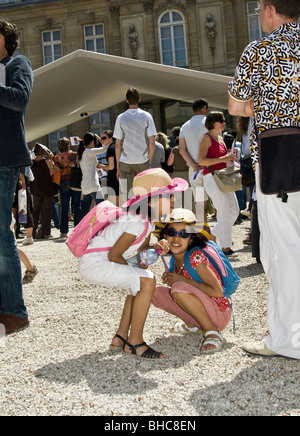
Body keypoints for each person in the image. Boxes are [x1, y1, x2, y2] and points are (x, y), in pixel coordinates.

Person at [228, 0, 300, 359]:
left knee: (282, 250)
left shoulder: (262, 49)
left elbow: (234, 105)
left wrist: (264, 103)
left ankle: (285, 339)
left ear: (270, 9)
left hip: (279, 156)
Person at [78, 168, 189, 359]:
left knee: (138, 281)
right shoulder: (137, 222)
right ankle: (135, 342)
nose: (173, 200)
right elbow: (114, 255)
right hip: (95, 264)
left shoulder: (146, 221)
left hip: (98, 262)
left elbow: (140, 256)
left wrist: (157, 248)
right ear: (151, 200)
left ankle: (121, 337)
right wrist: (138, 269)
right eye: (168, 196)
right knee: (146, 281)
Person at [152, 208, 231, 354]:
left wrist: (181, 280)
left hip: (218, 313)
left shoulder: (196, 257)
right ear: (164, 236)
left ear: (192, 238)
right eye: (171, 233)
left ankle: (212, 331)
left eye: (184, 234)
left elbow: (218, 292)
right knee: (155, 292)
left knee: (179, 287)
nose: (176, 239)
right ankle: (192, 324)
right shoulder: (174, 259)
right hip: (202, 310)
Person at [0, 17, 34, 335]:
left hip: (5, 160)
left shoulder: (17, 63)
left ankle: (14, 310)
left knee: (1, 235)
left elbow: (19, 98)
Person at [198, 112, 240, 256]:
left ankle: (212, 235)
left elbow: (220, 159)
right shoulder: (206, 138)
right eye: (221, 121)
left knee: (234, 211)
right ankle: (225, 247)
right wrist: (224, 158)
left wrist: (229, 159)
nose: (224, 122)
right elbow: (201, 161)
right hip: (212, 178)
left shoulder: (221, 138)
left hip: (222, 177)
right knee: (223, 212)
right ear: (213, 123)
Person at [114, 88, 156, 200]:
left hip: (125, 161)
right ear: (139, 99)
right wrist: (149, 160)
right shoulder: (147, 116)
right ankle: (145, 216)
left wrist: (118, 166)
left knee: (129, 197)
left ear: (126, 100)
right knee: (145, 195)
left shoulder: (120, 117)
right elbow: (152, 143)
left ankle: (131, 216)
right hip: (142, 160)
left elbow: (118, 145)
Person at [179, 98, 209, 222]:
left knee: (200, 204)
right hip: (210, 166)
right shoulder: (210, 122)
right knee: (219, 203)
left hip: (194, 170)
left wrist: (194, 165)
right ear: (204, 108)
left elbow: (182, 149)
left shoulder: (185, 126)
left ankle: (203, 233)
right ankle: (220, 234)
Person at [55, 137, 82, 237]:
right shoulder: (73, 155)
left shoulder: (56, 157)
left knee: (64, 206)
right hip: (74, 181)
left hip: (63, 182)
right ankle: (78, 229)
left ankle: (63, 231)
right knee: (77, 205)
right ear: (68, 145)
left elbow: (56, 169)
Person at [30, 143, 57, 240]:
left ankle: (32, 232)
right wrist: (51, 159)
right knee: (46, 211)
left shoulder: (31, 162)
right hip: (47, 188)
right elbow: (52, 171)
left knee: (35, 211)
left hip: (36, 188)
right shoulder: (47, 161)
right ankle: (46, 233)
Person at [78, 132, 107, 218]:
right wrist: (99, 138)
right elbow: (105, 148)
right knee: (102, 206)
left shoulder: (82, 152)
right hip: (93, 184)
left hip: (85, 185)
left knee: (85, 210)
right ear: (92, 141)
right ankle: (102, 226)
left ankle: (82, 229)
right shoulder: (90, 151)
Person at [98, 130, 120, 207]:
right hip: (120, 177)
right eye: (101, 138)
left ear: (111, 138)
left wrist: (100, 166)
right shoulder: (117, 146)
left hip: (113, 178)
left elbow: (111, 166)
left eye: (104, 138)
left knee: (114, 205)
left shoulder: (110, 149)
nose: (102, 140)